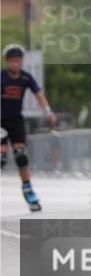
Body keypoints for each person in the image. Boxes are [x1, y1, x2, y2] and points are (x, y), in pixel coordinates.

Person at [1, 44, 57, 212]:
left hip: (16, 120)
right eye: (12, 61)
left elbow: (39, 95)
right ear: (7, 62)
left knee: (21, 157)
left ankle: (28, 190)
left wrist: (48, 112)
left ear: (22, 61)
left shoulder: (26, 78)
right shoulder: (1, 77)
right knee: (1, 158)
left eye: (17, 61)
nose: (15, 64)